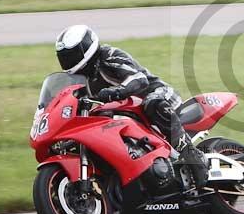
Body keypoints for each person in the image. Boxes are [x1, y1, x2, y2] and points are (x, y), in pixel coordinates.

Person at [54, 24, 209, 192]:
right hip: (129, 114)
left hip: (157, 94)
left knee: (152, 103)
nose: (68, 60)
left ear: (86, 48)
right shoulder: (81, 78)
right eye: (64, 56)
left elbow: (139, 79)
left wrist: (116, 92)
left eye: (71, 55)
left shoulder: (108, 56)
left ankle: (191, 156)